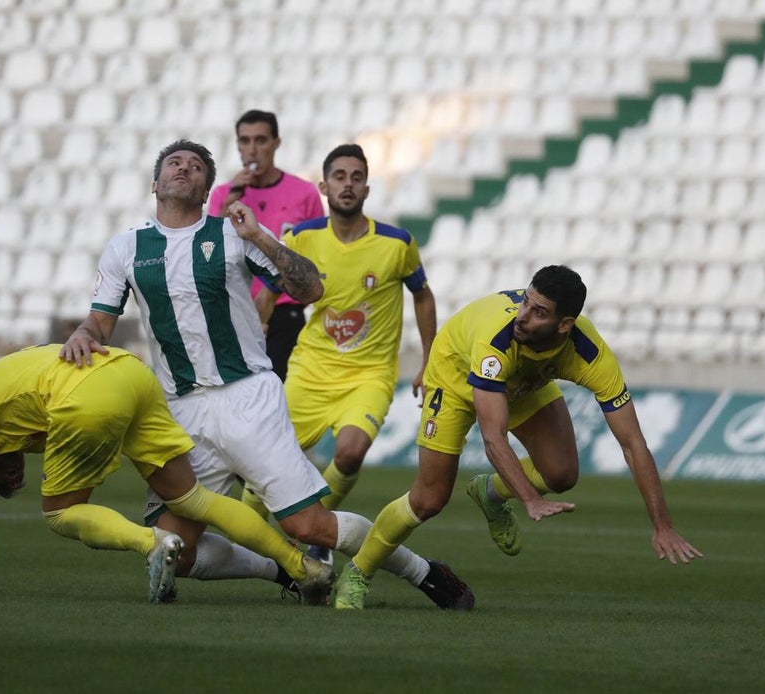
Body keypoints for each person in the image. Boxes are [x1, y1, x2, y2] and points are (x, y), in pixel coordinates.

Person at [60, 139, 473, 610]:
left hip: (247, 398)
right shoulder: (125, 248)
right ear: (155, 183)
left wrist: (260, 237)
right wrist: (81, 334)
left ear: (207, 188)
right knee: (175, 548)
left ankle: (424, 573)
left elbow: (311, 287)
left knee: (310, 527)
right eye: (173, 163)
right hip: (181, 413)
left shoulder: (235, 236)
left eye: (196, 166)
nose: (183, 169)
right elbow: (100, 322)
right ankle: (290, 574)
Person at [333, 265, 704, 609]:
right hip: (455, 372)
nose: (523, 315)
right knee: (429, 498)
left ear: (565, 325)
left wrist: (663, 525)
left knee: (561, 475)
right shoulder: (499, 339)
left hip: (522, 381)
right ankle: (357, 573)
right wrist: (529, 499)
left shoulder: (590, 354)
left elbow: (632, 443)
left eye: (539, 311)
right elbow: (493, 438)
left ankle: (490, 493)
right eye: (525, 301)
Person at [0, 344, 335, 605]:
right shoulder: (4, 399)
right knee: (191, 498)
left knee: (61, 512)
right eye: (11, 486)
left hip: (86, 392)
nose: (11, 480)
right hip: (130, 371)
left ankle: (153, 543)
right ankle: (305, 569)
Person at [247, 144, 437, 558]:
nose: (347, 184)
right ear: (324, 186)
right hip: (311, 370)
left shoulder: (396, 243)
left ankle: (317, 533)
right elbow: (272, 288)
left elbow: (422, 296)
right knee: (264, 468)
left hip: (369, 375)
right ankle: (240, 537)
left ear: (367, 189)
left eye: (355, 177)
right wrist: (258, 325)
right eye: (339, 176)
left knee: (350, 453)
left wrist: (428, 360)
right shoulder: (302, 237)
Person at [206, 110, 324, 381]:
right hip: (236, 310)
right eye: (244, 141)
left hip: (284, 310)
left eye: (260, 140)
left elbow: (316, 254)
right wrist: (231, 200)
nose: (252, 149)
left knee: (278, 395)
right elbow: (208, 251)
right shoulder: (224, 194)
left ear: (276, 143)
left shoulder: (304, 193)